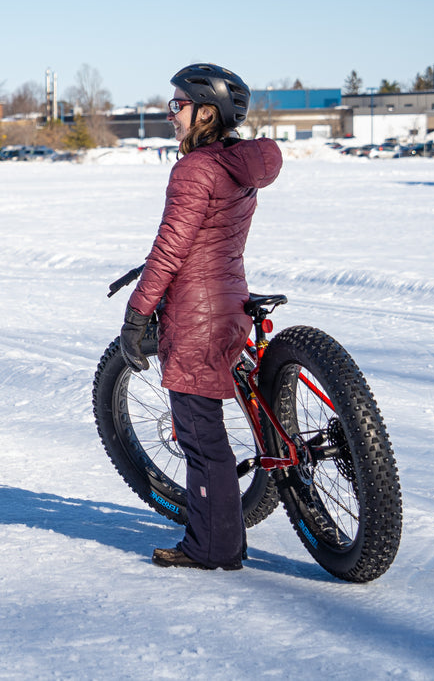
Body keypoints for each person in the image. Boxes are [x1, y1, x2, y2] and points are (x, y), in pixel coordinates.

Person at [119, 63, 282, 571]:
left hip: (197, 313)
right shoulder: (237, 164)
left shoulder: (194, 169)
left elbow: (171, 249)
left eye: (178, 105)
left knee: (199, 434)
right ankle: (222, 536)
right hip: (230, 298)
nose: (171, 115)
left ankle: (213, 548)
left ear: (206, 113)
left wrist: (137, 313)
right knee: (205, 428)